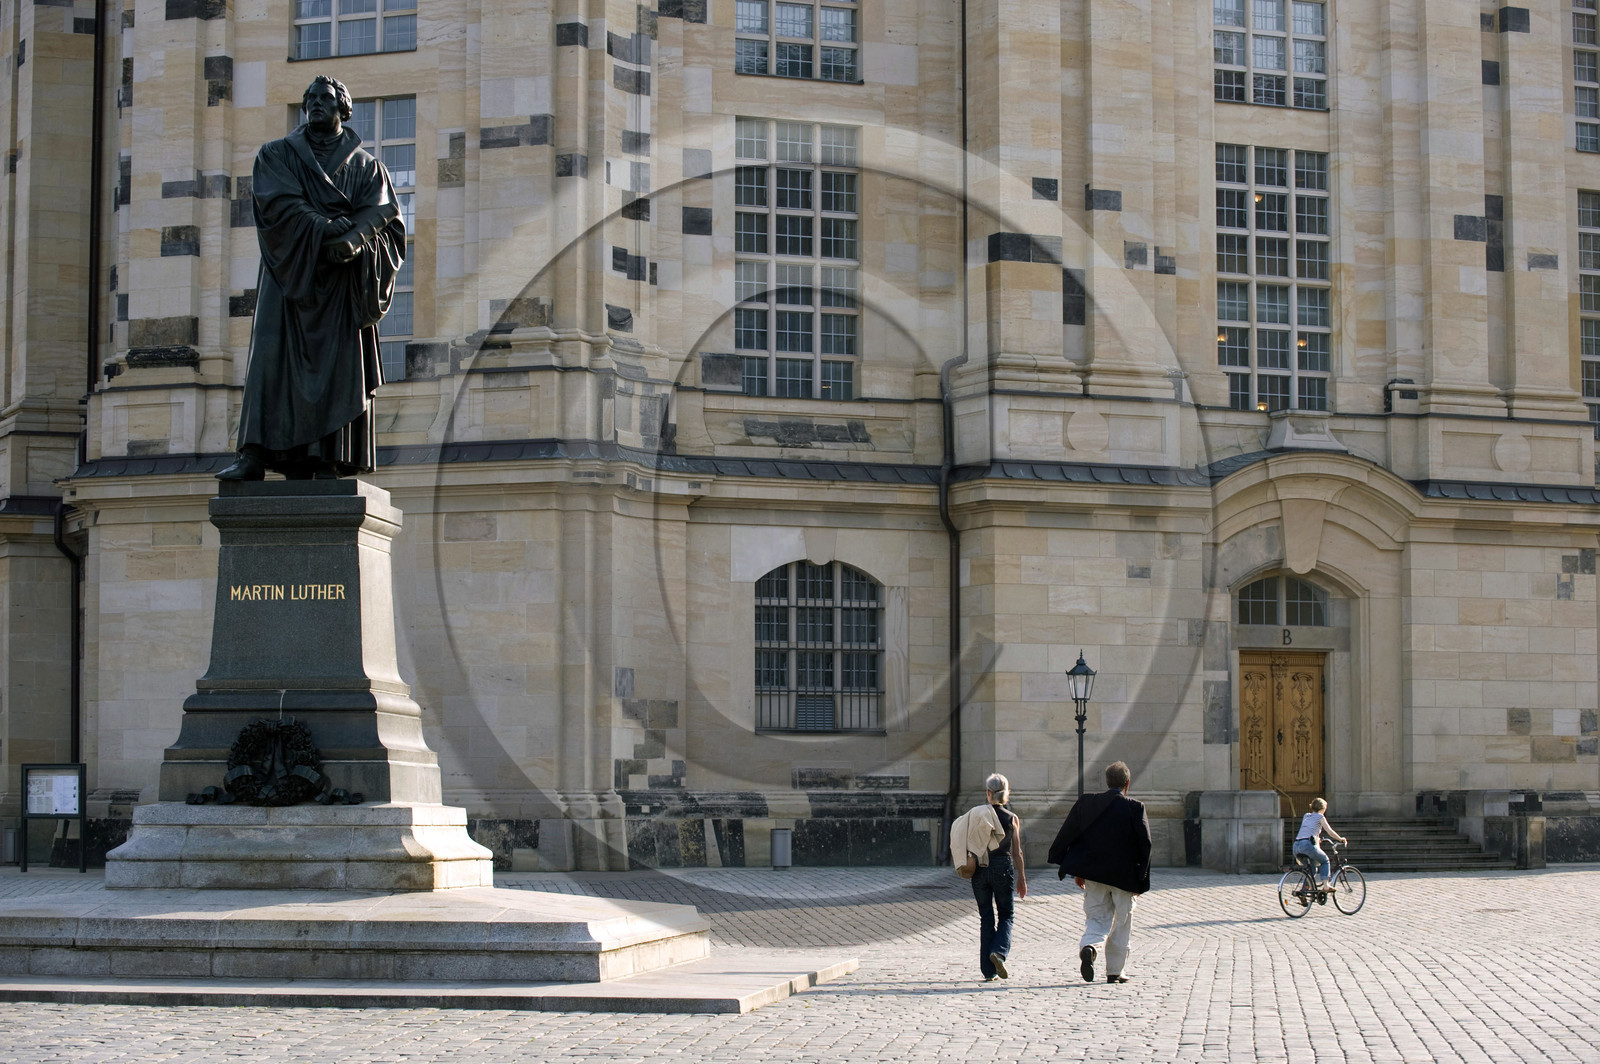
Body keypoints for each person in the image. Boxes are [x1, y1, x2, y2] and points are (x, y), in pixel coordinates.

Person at [216, 75, 407, 482]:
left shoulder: (368, 166)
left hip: (341, 285)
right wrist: (331, 230)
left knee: (339, 367)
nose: (317, 103)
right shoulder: (276, 155)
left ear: (344, 108)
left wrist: (356, 241)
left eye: (326, 98)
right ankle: (253, 453)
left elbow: (388, 223)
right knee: (268, 356)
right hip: (289, 276)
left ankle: (329, 458)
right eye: (311, 98)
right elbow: (278, 206)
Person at [1047, 760, 1151, 985]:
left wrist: (1073, 865)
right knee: (1122, 923)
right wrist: (1141, 881)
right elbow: (1146, 845)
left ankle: (1090, 946)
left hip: (1093, 875)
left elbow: (1069, 834)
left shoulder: (1087, 803)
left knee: (1096, 918)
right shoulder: (1135, 807)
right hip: (1125, 878)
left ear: (1107, 782)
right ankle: (1115, 971)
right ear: (1127, 784)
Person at [970, 773, 1027, 981]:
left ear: (988, 793)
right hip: (1003, 866)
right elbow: (1017, 851)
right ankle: (999, 951)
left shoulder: (977, 815)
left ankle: (988, 970)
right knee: (1006, 915)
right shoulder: (1012, 818)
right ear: (1006, 794)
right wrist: (1022, 877)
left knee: (986, 918)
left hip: (980, 868)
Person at [1293, 797, 1347, 886]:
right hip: (1307, 845)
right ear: (1322, 808)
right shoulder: (1320, 817)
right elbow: (1330, 832)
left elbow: (1308, 830)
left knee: (1312, 869)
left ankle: (1304, 891)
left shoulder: (1306, 816)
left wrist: (1317, 839)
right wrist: (1340, 839)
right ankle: (1326, 886)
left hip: (1296, 846)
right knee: (1325, 861)